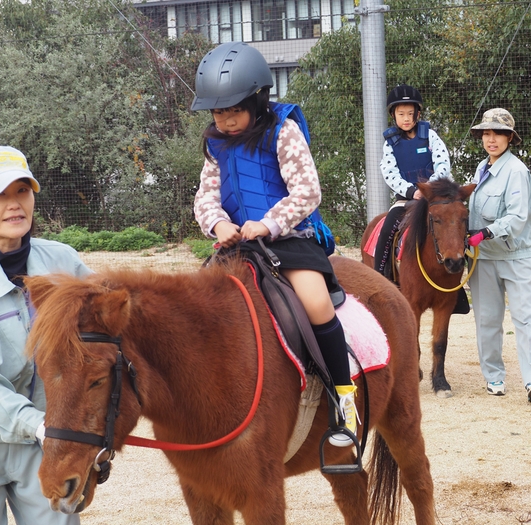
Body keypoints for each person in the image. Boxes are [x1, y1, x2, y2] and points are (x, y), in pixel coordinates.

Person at [191, 42, 357, 447]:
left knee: (316, 303)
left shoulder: (284, 130)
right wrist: (217, 223)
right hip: (236, 245)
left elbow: (307, 191)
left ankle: (342, 398)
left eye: (234, 110)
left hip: (290, 238)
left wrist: (267, 223)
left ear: (259, 100)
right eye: (218, 112)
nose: (226, 121)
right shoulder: (215, 145)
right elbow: (205, 196)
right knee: (195, 306)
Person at [0, 146, 91, 524]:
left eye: (22, 191)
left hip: (44, 443)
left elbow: (109, 342)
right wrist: (43, 427)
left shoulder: (64, 263)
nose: (14, 204)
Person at [466, 108, 531, 402]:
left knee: (525, 318)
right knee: (487, 319)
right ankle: (494, 378)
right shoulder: (480, 168)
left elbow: (517, 218)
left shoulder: (517, 171)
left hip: (516, 257)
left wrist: (483, 233)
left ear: (510, 137)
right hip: (483, 258)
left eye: (498, 133)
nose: (491, 139)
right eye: (486, 133)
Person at [374, 84, 452, 277]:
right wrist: (412, 191)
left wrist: (429, 189)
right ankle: (381, 275)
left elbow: (442, 163)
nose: (407, 118)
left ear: (418, 114)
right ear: (393, 115)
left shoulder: (430, 136)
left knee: (456, 221)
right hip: (406, 198)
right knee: (387, 230)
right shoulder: (389, 143)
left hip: (435, 196)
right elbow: (389, 172)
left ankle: (456, 277)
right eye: (401, 114)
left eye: (411, 113)